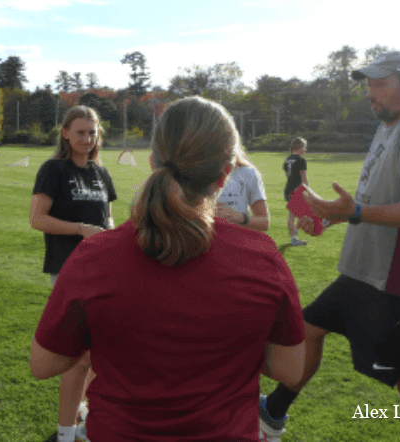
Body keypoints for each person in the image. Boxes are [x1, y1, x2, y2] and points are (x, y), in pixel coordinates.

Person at [30, 96, 306, 442]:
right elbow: (290, 370)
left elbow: (43, 364)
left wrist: (111, 333)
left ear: (151, 162)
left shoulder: (95, 256)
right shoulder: (262, 256)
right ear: (225, 175)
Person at [260, 51, 400, 442]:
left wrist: (357, 212)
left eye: (380, 84)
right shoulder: (389, 128)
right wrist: (331, 216)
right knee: (308, 329)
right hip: (364, 275)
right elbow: (371, 197)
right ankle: (274, 412)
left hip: (399, 283)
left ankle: (273, 412)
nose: (370, 93)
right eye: (369, 84)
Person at [29, 105, 117, 442]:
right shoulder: (53, 169)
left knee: (99, 355)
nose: (87, 138)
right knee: (79, 357)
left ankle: (79, 422)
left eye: (92, 132)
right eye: (80, 132)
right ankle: (66, 434)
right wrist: (80, 229)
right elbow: (37, 219)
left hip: (103, 272)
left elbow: (108, 221)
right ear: (65, 133)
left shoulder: (100, 172)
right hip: (69, 271)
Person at [216, 145, 270, 232]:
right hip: (204, 243)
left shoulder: (248, 173)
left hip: (237, 240)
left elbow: (264, 223)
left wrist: (240, 218)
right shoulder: (196, 171)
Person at [283, 137, 309, 245]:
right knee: (300, 215)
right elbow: (303, 177)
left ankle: (294, 234)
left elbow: (289, 176)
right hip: (296, 191)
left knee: (294, 215)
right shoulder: (301, 160)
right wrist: (307, 190)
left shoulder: (287, 159)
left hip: (288, 189)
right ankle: (294, 237)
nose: (305, 149)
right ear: (299, 147)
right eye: (304, 147)